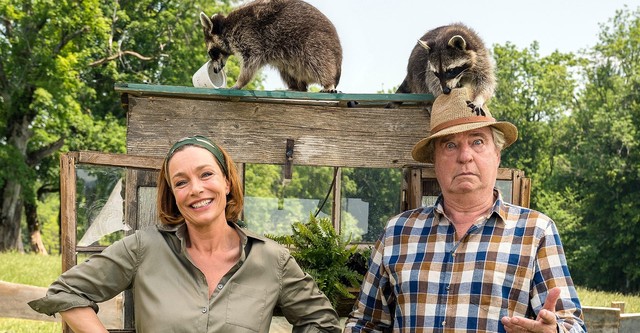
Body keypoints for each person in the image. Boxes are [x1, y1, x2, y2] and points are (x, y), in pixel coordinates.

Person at [29, 135, 341, 333]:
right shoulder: (144, 248)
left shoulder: (272, 259)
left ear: (227, 182)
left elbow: (322, 322)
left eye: (206, 174)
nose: (196, 190)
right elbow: (65, 292)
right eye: (181, 182)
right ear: (173, 195)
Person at [343, 88, 586, 332]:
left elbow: (572, 324)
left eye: (477, 141)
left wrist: (554, 331)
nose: (465, 156)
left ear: (497, 155)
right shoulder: (398, 232)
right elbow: (366, 323)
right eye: (450, 145)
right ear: (435, 160)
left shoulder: (536, 232)